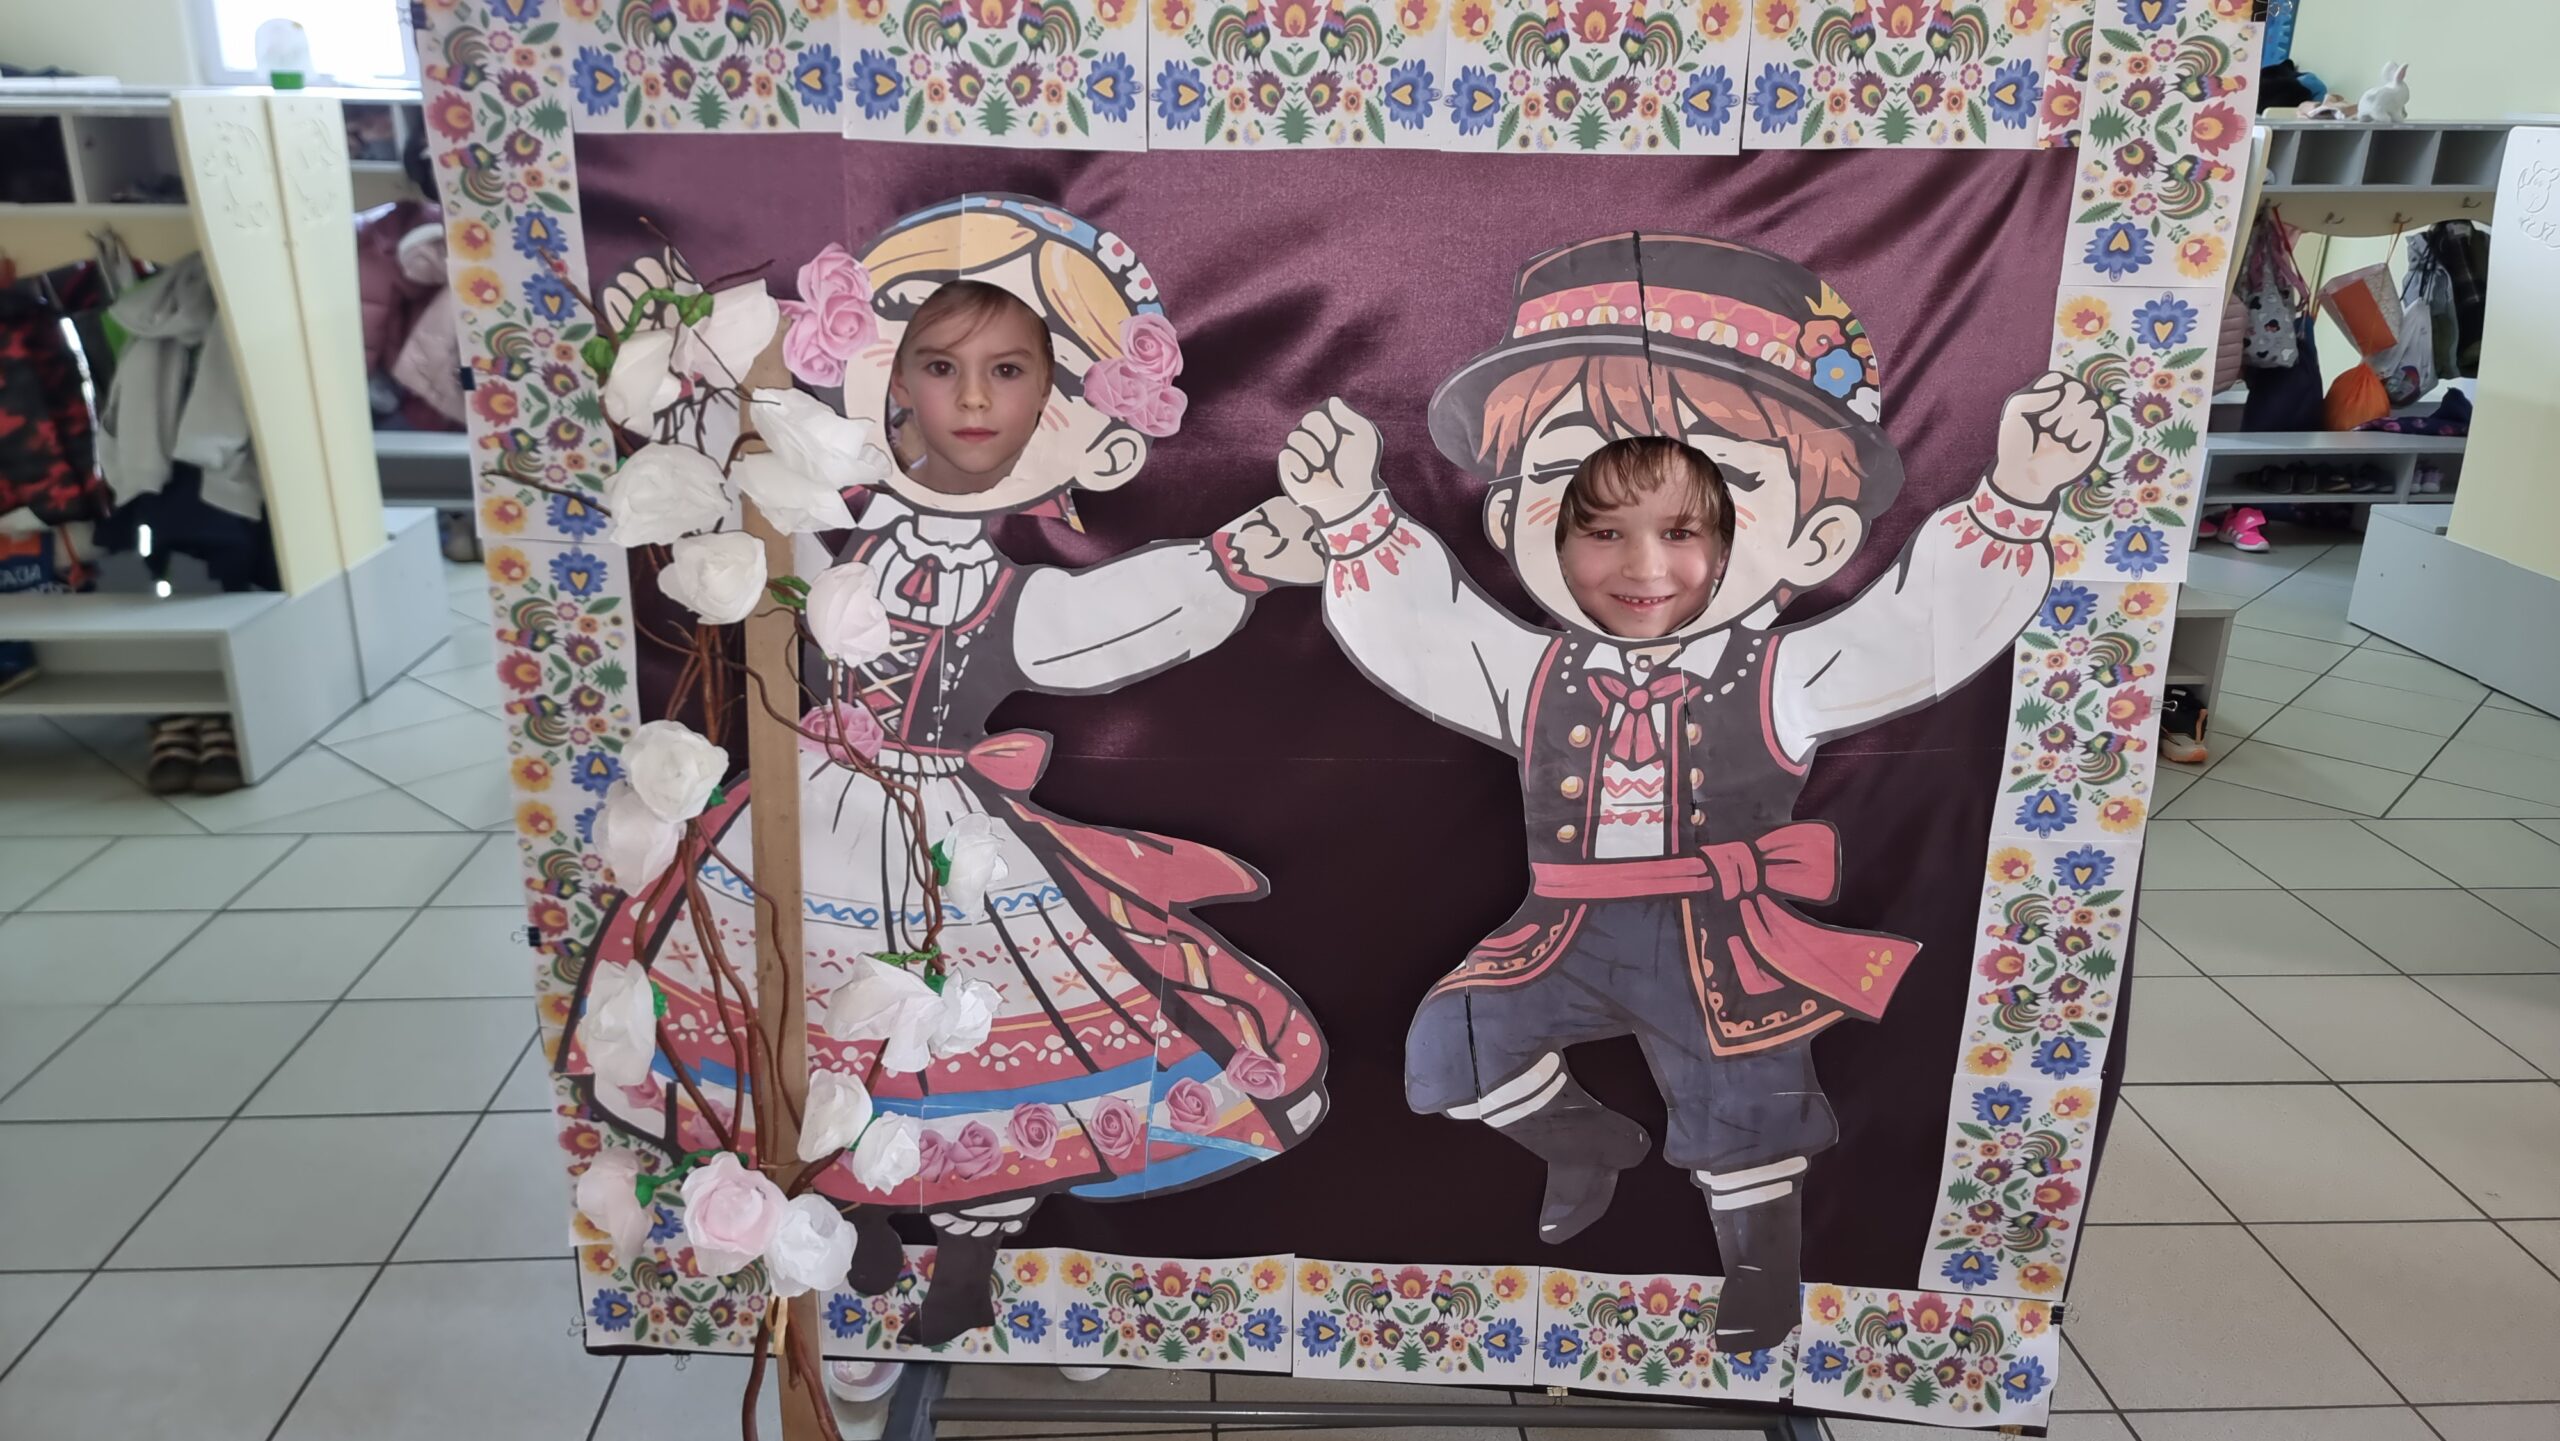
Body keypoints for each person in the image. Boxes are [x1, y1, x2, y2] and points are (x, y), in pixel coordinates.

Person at [1278, 232, 2102, 1353]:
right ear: (1514, 520)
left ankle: (1760, 1269)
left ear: (1811, 536)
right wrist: (1352, 519)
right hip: (1561, 928)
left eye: (1695, 524)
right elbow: (1431, 632)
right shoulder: (1534, 670)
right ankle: (1583, 1139)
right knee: (1454, 1040)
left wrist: (2016, 499)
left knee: (1747, 1106)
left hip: (1717, 937)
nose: (1643, 567)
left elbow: (1914, 626)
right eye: (1594, 521)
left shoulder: (1784, 674)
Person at [578, 197, 1331, 1347]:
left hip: (943, 837)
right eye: (939, 365)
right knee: (800, 1019)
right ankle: (846, 1218)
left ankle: (970, 1256)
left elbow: (1100, 623)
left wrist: (1231, 566)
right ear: (884, 380)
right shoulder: (818, 523)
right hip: (798, 813)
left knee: (959, 1038)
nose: (972, 400)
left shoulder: (1007, 595)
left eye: (1010, 370)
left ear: (1071, 408)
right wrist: (678, 373)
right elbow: (730, 505)